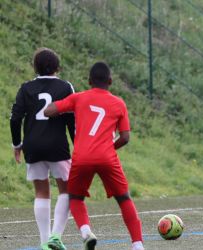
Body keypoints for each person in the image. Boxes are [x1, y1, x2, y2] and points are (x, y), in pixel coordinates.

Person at [44, 62, 144, 250]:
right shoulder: (119, 103)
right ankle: (137, 244)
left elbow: (49, 110)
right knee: (123, 198)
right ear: (111, 81)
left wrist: (61, 105)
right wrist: (110, 147)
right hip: (107, 157)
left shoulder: (79, 98)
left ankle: (85, 232)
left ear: (89, 81)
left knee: (75, 197)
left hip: (81, 157)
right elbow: (125, 137)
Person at [10, 48, 75, 250]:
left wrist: (17, 144)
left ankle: (44, 242)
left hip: (32, 145)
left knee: (41, 192)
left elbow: (15, 118)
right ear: (57, 67)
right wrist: (78, 145)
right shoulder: (66, 87)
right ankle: (56, 237)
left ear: (34, 67)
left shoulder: (26, 87)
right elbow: (72, 119)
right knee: (68, 190)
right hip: (57, 145)